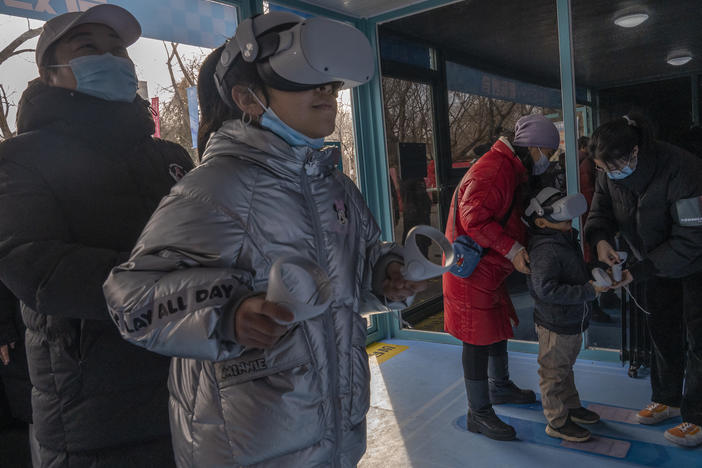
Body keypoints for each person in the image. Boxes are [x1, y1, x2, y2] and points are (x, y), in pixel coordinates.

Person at [103, 11, 425, 467]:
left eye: (331, 83)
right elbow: (130, 300)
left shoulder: (337, 187)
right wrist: (228, 314)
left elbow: (353, 273)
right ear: (247, 98)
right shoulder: (216, 188)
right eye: (304, 79)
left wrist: (383, 276)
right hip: (247, 449)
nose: (327, 91)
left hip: (337, 433)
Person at [0, 5, 194, 466]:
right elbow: (34, 265)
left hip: (193, 387)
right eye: (89, 48)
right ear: (50, 74)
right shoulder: (21, 159)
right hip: (93, 413)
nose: (111, 59)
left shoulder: (170, 156)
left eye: (118, 50)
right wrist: (173, 288)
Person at [585, 113, 702, 447]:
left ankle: (697, 417)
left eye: (613, 166)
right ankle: (667, 399)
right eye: (602, 169)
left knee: (700, 339)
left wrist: (640, 269)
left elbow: (693, 237)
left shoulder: (684, 168)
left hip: (696, 261)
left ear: (634, 152)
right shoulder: (610, 171)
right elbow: (600, 210)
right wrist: (602, 240)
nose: (609, 174)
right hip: (652, 263)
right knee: (661, 331)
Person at [443, 114, 559, 441]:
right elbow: (474, 218)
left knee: (494, 327)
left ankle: (500, 387)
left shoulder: (509, 168)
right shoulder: (495, 168)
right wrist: (511, 249)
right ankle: (477, 412)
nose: (548, 160)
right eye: (548, 152)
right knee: (476, 338)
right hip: (471, 268)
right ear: (533, 146)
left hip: (485, 267)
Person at [525, 187, 612, 442]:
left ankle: (571, 407)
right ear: (541, 221)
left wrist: (596, 268)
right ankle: (557, 420)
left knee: (565, 369)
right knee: (552, 373)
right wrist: (588, 291)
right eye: (563, 219)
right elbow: (546, 290)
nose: (569, 222)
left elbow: (573, 271)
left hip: (570, 321)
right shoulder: (545, 250)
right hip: (555, 324)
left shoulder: (563, 238)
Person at [578, 135, 614, 322]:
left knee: (596, 262)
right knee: (593, 264)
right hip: (589, 221)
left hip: (588, 220)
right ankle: (595, 304)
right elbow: (591, 198)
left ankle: (603, 299)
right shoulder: (587, 166)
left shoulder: (585, 164)